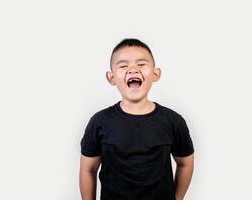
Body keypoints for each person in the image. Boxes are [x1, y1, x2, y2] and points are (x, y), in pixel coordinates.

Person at [79, 38, 194, 200]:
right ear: (111, 78)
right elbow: (87, 170)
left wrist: (177, 198)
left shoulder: (173, 121)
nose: (133, 69)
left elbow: (185, 163)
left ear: (155, 74)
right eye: (123, 65)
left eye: (141, 64)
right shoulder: (99, 122)